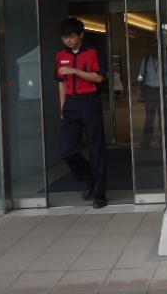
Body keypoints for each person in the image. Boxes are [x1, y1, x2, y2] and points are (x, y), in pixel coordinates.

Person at [55, 17, 108, 208]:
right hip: (71, 104)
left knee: (96, 149)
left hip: (90, 103)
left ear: (81, 35)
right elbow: (61, 83)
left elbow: (99, 78)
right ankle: (89, 178)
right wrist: (63, 107)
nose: (67, 41)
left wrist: (75, 71)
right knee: (67, 150)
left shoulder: (93, 52)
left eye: (71, 37)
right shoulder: (60, 55)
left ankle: (100, 195)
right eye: (64, 38)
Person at [137, 41, 161, 148]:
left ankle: (164, 140)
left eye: (156, 48)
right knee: (150, 117)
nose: (155, 50)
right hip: (150, 90)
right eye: (153, 48)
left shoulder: (165, 61)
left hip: (161, 90)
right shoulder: (146, 61)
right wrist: (139, 85)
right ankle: (146, 141)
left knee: (163, 117)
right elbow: (140, 75)